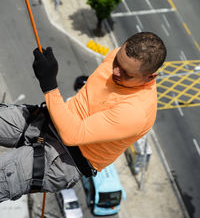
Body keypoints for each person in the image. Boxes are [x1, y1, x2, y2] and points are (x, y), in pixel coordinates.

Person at [0, 31, 166, 202]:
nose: (115, 71)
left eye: (127, 74)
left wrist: (49, 84)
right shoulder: (120, 58)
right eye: (117, 61)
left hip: (65, 158)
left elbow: (73, 135)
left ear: (150, 77)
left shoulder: (136, 112)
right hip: (51, 120)